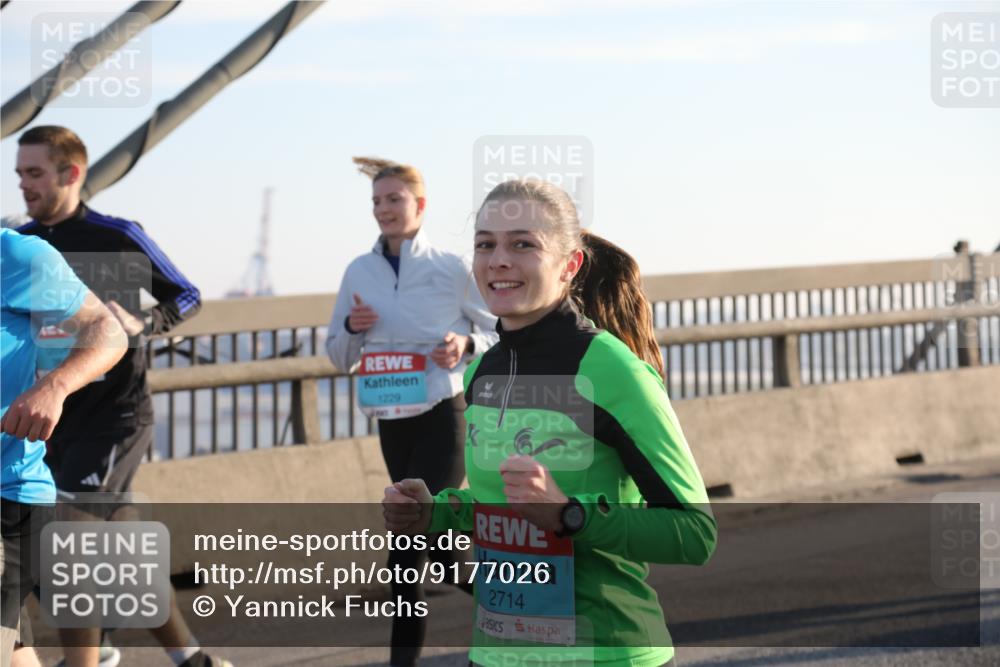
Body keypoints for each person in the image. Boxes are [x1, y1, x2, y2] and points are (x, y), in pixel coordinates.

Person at [383, 179, 717, 667]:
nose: (498, 260)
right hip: (495, 654)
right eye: (485, 244)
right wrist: (435, 512)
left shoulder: (612, 371)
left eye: (523, 244)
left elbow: (695, 533)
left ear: (569, 265)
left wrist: (569, 516)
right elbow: (503, 508)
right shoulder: (481, 373)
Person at [14, 126, 229, 667]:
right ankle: (191, 659)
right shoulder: (22, 245)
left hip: (115, 416)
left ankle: (85, 660)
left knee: (68, 540)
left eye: (35, 173)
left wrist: (145, 322)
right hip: (51, 419)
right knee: (123, 555)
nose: (24, 184)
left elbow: (186, 294)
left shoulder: (117, 234)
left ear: (71, 174)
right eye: (19, 174)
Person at [326, 157, 498, 666]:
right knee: (442, 555)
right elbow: (337, 355)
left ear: (420, 205)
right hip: (391, 422)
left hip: (443, 415)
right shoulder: (358, 271)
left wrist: (466, 344)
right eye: (377, 201)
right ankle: (531, 610)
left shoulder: (451, 266)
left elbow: (498, 330)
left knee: (405, 548)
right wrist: (353, 329)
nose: (383, 209)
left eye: (393, 199)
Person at [2, 228, 127, 667]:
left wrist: (55, 386)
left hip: (8, 493)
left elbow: (106, 328)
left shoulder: (16, 255)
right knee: (14, 653)